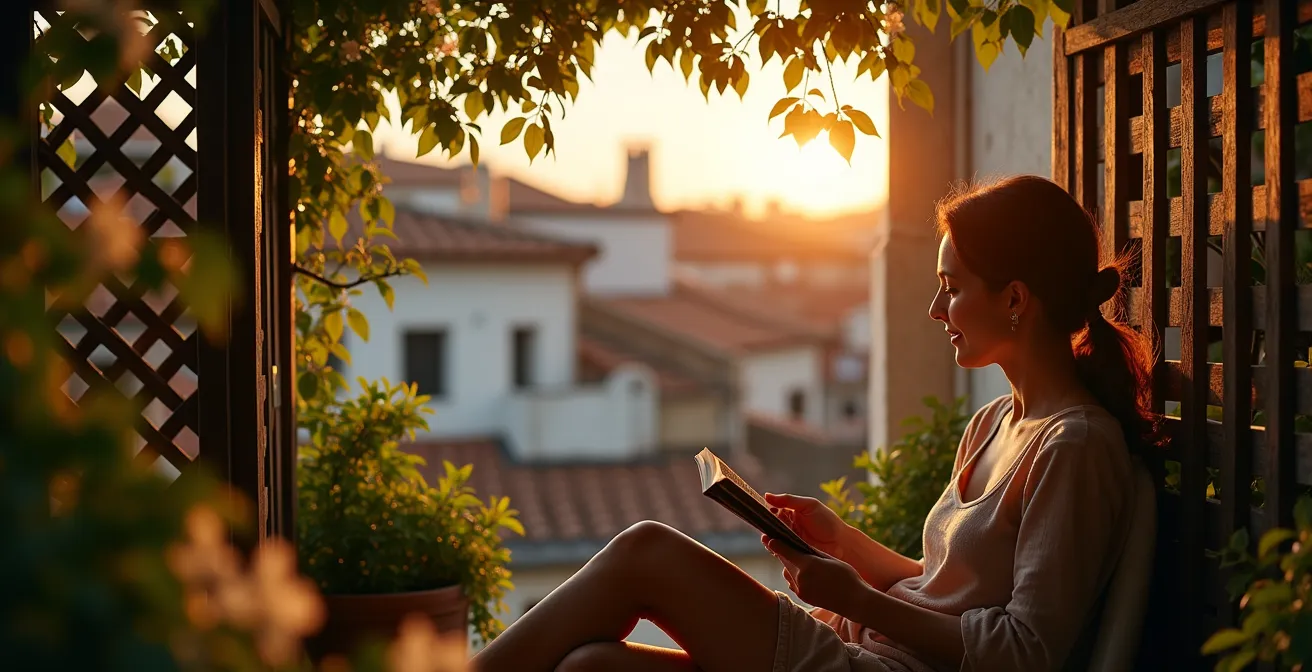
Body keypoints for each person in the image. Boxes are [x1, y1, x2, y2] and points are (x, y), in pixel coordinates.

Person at [468, 175, 1159, 672]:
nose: (934, 309)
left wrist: (860, 600)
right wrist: (841, 543)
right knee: (592, 668)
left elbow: (1026, 652)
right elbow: (946, 585)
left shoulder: (1077, 447)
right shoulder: (992, 423)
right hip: (866, 643)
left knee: (648, 550)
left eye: (951, 287)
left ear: (1014, 298)